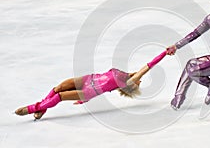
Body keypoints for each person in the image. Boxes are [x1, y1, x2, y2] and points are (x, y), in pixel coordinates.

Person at [15, 51, 166, 120]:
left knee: (60, 96)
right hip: (88, 79)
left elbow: (148, 66)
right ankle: (43, 108)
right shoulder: (125, 74)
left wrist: (165, 53)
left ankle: (32, 108)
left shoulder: (127, 82)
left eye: (138, 83)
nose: (140, 81)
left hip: (89, 90)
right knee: (58, 88)